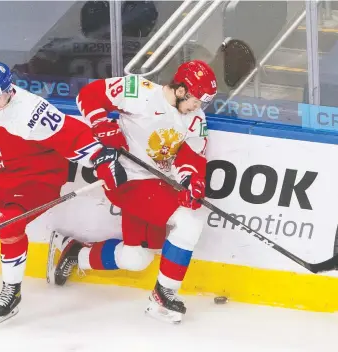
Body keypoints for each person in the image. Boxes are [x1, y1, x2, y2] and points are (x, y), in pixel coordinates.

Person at [0, 62, 127, 326]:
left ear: (10, 91)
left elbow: (71, 133)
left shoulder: (31, 113)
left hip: (37, 181)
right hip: (0, 178)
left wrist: (101, 159)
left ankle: (11, 291)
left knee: (10, 219)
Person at [49, 60, 217, 324]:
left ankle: (73, 253)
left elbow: (191, 156)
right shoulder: (140, 91)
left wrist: (191, 181)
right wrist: (101, 123)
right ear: (182, 90)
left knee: (136, 258)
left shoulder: (196, 118)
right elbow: (89, 95)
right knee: (190, 222)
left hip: (159, 184)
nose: (199, 107)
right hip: (126, 180)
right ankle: (163, 297)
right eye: (197, 99)